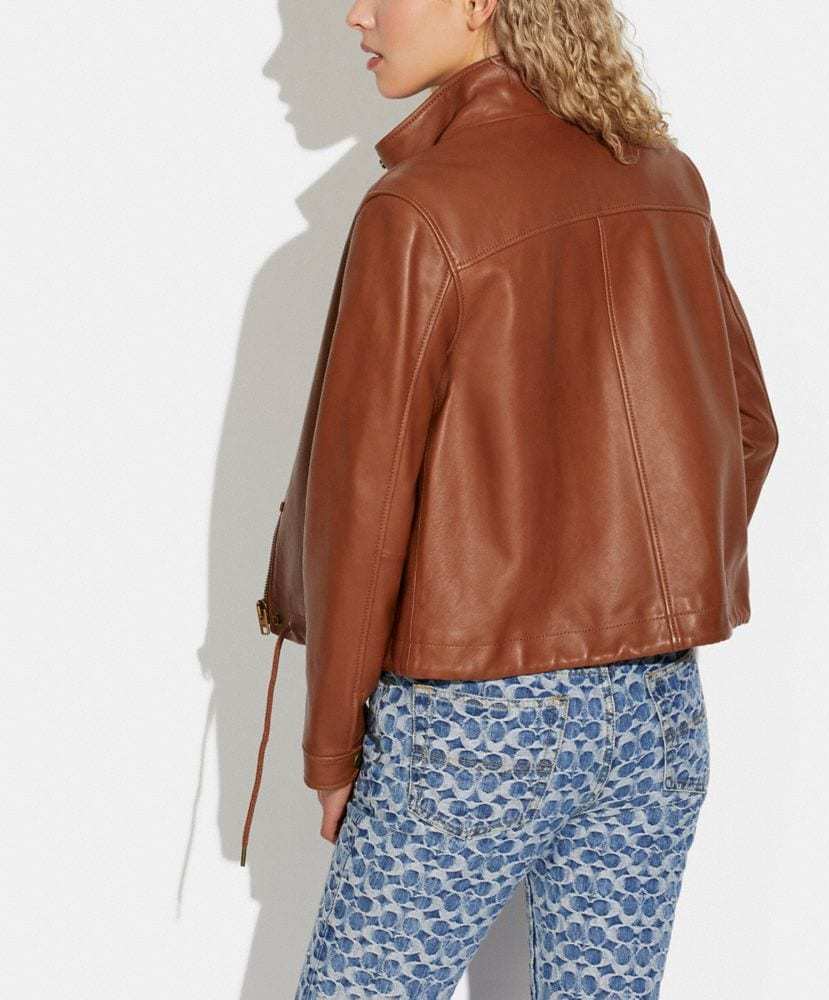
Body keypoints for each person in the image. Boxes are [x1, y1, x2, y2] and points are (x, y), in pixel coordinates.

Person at [242, 0, 779, 996]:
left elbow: (363, 518)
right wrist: (632, 590)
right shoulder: (663, 180)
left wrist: (333, 752)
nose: (355, 15)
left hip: (473, 721)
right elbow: (746, 427)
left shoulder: (418, 211)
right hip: (655, 704)